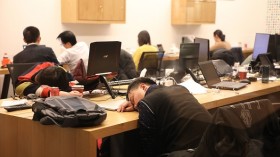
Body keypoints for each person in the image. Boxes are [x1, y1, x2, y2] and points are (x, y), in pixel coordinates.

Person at [117, 77, 212, 157]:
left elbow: (149, 149)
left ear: (143, 87)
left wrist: (140, 105)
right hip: (215, 147)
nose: (135, 105)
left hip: (190, 153)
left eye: (133, 100)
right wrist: (135, 105)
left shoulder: (146, 103)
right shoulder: (180, 88)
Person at [15, 62, 82, 98]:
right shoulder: (21, 83)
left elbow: (76, 85)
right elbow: (46, 92)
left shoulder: (60, 71)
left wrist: (76, 92)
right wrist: (67, 95)